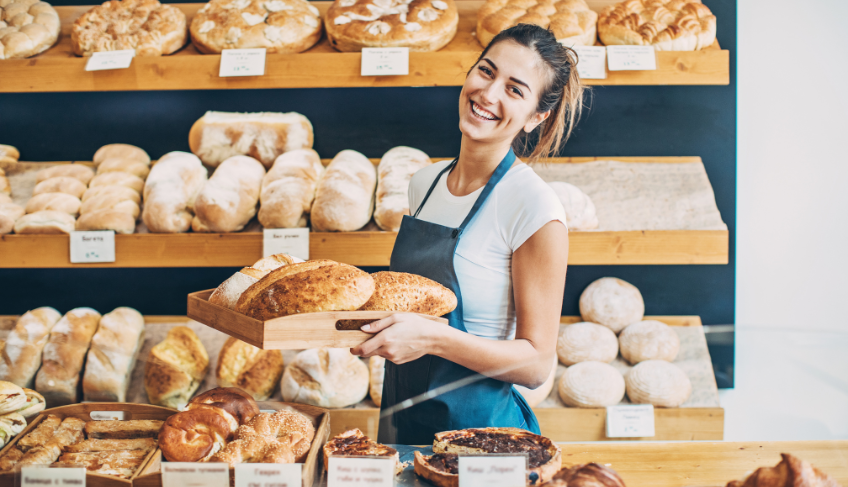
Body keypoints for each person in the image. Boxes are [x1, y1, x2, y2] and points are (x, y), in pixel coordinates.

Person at [351, 23, 584, 445]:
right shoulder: (423, 184)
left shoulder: (534, 207)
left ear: (537, 116)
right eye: (486, 71)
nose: (489, 94)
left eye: (515, 90)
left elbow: (536, 364)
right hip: (404, 422)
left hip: (484, 440)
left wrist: (432, 337)